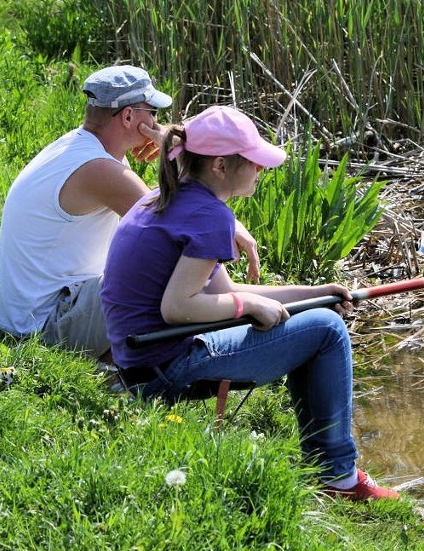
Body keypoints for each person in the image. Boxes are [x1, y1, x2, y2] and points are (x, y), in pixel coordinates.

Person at [101, 106, 399, 501]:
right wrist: (250, 310)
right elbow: (179, 307)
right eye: (254, 162)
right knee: (328, 330)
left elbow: (221, 293)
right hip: (164, 368)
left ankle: (327, 465)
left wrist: (312, 293)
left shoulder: (169, 197)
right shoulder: (210, 216)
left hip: (139, 364)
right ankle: (338, 476)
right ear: (221, 166)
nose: (261, 169)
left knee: (320, 314)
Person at [0, 65, 260, 362]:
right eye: (153, 113)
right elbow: (182, 224)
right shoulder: (101, 169)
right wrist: (229, 220)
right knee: (159, 271)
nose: (157, 122)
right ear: (129, 116)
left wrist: (171, 147)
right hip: (41, 326)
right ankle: (150, 367)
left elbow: (179, 214)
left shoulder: (80, 147)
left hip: (31, 314)